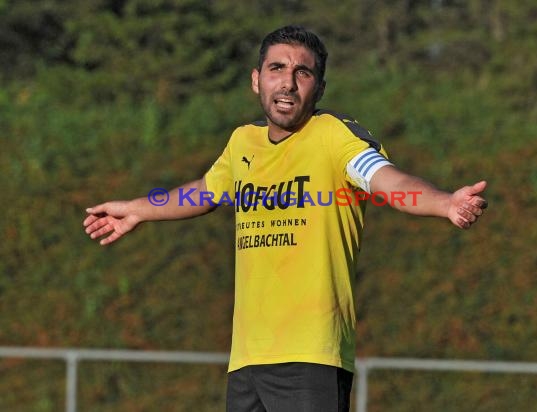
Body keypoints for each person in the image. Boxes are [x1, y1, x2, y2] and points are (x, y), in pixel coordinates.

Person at [84, 25, 487, 412]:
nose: (288, 83)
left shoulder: (335, 136)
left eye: (302, 72)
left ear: (319, 88)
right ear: (257, 80)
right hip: (246, 360)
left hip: (310, 356)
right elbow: (205, 191)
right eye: (277, 68)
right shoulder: (243, 142)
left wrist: (444, 202)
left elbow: (388, 180)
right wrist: (137, 209)